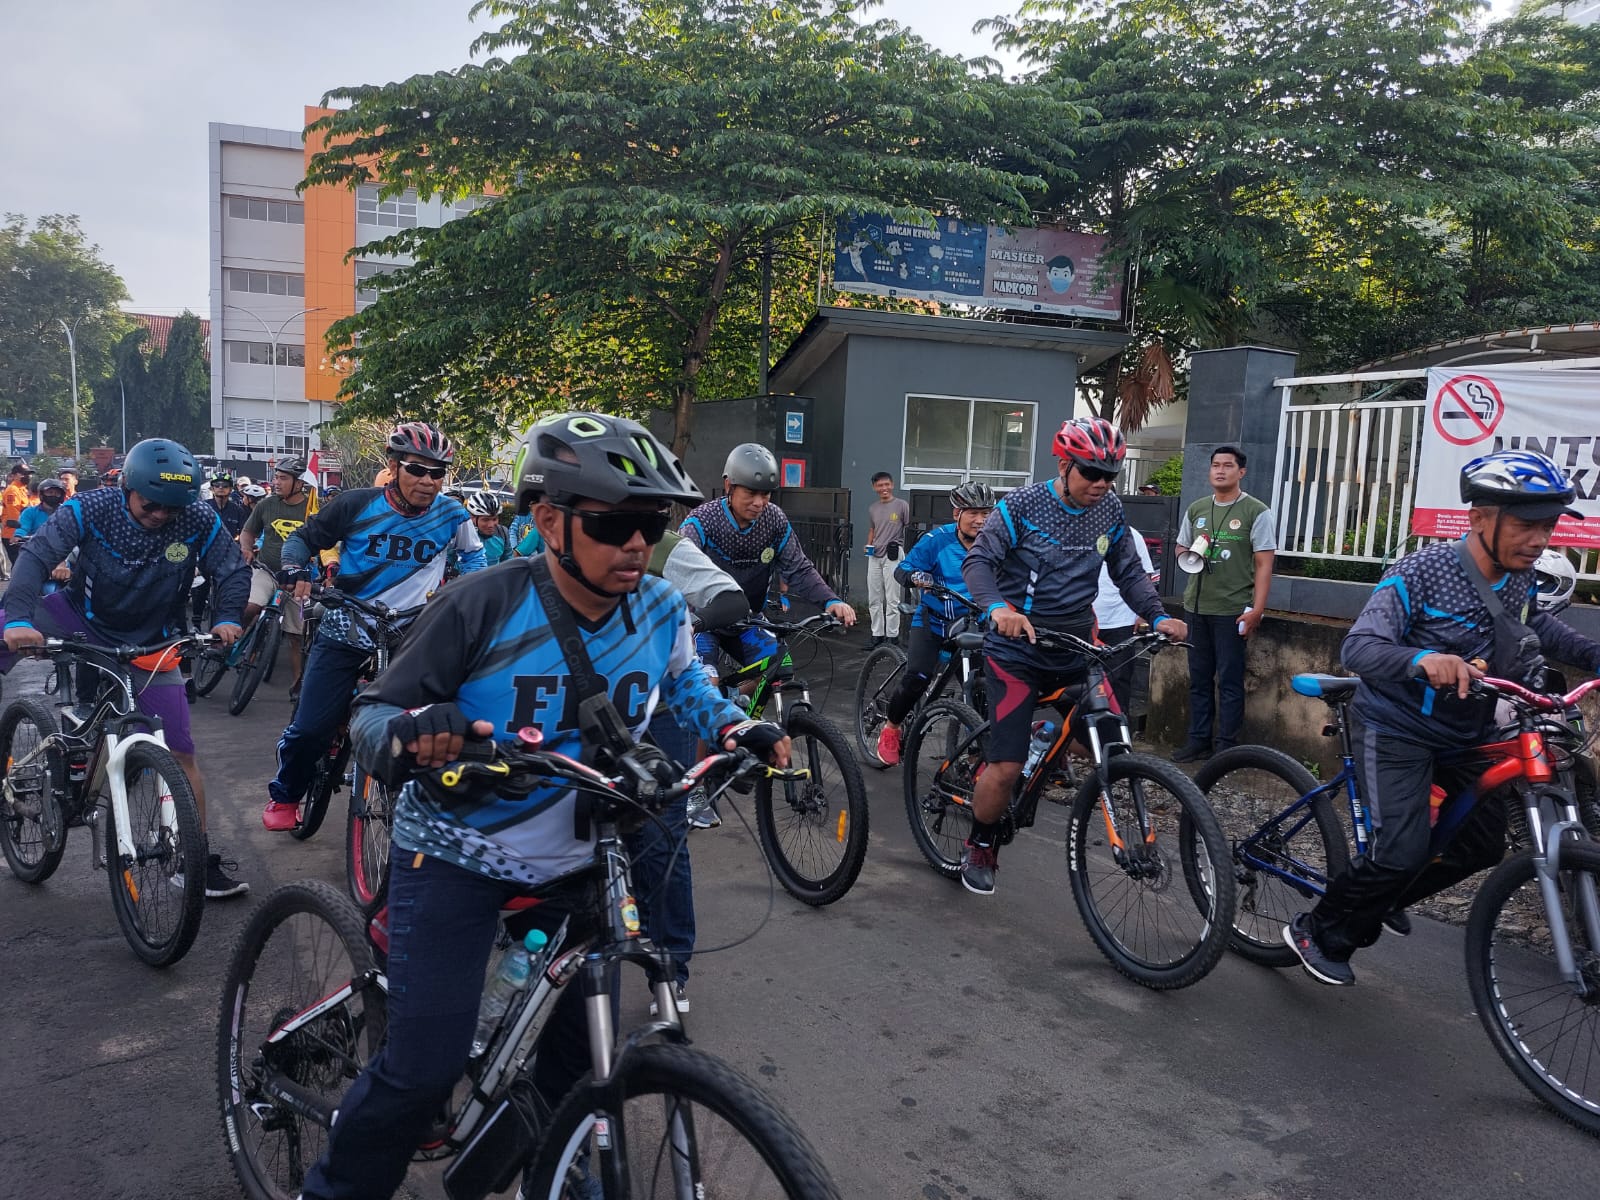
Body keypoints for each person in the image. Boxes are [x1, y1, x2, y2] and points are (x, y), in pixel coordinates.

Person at [295, 413, 789, 1200]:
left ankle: (556, 1174)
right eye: (615, 523)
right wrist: (417, 738)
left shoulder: (660, 609)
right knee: (424, 1070)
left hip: (585, 855)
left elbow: (685, 684)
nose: (637, 543)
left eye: (651, 524)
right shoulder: (482, 604)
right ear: (549, 520)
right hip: (457, 850)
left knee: (573, 1056)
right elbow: (371, 717)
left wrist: (737, 725)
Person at [1285, 449, 1600, 986]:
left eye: (1548, 526)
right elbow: (1358, 648)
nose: (1540, 539)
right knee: (1400, 850)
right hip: (1397, 728)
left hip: (1468, 730)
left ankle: (1382, 896)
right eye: (1526, 524)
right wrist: (1420, 659)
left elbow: (1541, 628)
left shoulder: (1519, 576)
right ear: (1479, 518)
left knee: (1481, 845)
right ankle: (1323, 930)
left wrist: (1594, 655)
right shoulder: (1421, 572)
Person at [0, 439, 250, 898]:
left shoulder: (197, 517)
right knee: (2, 628)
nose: (160, 515)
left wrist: (228, 617)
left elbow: (232, 570)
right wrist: (18, 620)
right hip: (80, 617)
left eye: (171, 509)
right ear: (128, 488)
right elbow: (35, 559)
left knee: (181, 753)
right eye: (151, 505)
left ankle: (191, 857)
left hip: (154, 639)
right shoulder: (89, 508)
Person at [959, 418, 1188, 896]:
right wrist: (998, 608)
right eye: (1091, 473)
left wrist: (1156, 614)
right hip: (1017, 650)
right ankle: (980, 843)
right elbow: (978, 562)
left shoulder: (1110, 511)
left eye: (1111, 475)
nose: (1102, 484)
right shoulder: (1020, 505)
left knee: (1104, 740)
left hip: (1077, 648)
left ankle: (1045, 738)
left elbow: (1128, 572)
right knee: (1004, 766)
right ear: (1064, 465)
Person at [261, 422, 486, 832]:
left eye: (438, 473)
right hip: (347, 625)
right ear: (394, 465)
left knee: (439, 721)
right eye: (418, 469)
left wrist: (471, 597)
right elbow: (302, 541)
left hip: (412, 635)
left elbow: (474, 560)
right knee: (311, 727)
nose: (429, 481)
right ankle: (287, 793)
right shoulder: (354, 504)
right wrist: (294, 567)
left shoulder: (453, 514)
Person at [680, 442, 857, 826]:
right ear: (728, 485)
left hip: (749, 618)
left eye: (765, 494)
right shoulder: (702, 521)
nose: (759, 501)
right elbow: (679, 563)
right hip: (705, 619)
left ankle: (737, 703)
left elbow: (799, 568)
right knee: (705, 689)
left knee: (781, 666)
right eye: (751, 492)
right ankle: (694, 791)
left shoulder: (775, 522)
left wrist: (830, 601)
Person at [875, 480, 995, 766]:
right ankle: (891, 727)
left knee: (983, 687)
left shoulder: (995, 544)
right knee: (917, 676)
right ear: (957, 514)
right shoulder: (936, 540)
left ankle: (978, 753)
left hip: (973, 626)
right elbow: (903, 569)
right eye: (973, 513)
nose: (981, 520)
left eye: (986, 513)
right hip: (934, 620)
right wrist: (917, 578)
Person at [1172, 444, 1277, 762]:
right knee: (1199, 678)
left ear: (1240, 472)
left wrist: (1257, 608)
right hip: (1196, 606)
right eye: (1215, 465)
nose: (1220, 470)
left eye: (1227, 465)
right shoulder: (1198, 508)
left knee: (1230, 680)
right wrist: (1189, 556)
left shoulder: (1256, 511)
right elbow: (1180, 545)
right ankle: (1198, 740)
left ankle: (1226, 747)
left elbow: (1264, 562)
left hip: (1232, 609)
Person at [239, 458, 315, 698]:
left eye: (283, 478)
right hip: (267, 571)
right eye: (276, 477)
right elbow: (248, 532)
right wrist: (247, 548)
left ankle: (297, 684)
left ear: (299, 482)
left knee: (297, 634)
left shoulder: (313, 509)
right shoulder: (266, 505)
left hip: (297, 579)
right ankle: (232, 641)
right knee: (250, 606)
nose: (276, 482)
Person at [1093, 517, 1160, 728]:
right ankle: (1085, 740)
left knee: (1118, 681)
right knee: (1082, 684)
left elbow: (1145, 576)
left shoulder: (1129, 535)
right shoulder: (1071, 532)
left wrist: (1142, 614)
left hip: (1120, 620)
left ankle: (1118, 739)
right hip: (1083, 621)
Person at [193, 473, 248, 624]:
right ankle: (196, 622)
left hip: (228, 555)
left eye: (225, 486)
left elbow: (244, 532)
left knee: (228, 589)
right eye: (217, 485)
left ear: (231, 489)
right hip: (204, 553)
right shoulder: (204, 507)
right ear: (212, 488)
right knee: (200, 586)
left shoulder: (238, 510)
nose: (221, 489)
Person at [865, 470, 911, 647]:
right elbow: (872, 530)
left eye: (887, 484)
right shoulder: (873, 508)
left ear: (892, 485)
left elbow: (909, 528)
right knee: (874, 597)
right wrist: (868, 544)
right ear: (874, 487)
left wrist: (905, 553)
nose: (884, 488)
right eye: (879, 485)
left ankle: (893, 636)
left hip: (892, 555)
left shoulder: (901, 505)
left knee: (893, 598)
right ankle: (877, 635)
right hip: (874, 556)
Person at [2, 461, 37, 564]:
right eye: (25, 473)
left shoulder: (22, 490)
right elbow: (15, 516)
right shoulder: (13, 491)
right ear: (15, 475)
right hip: (13, 534)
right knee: (20, 566)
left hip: (21, 534)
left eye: (29, 474)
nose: (28, 476)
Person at [465, 490, 511, 565]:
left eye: (494, 519)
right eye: (485, 520)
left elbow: (508, 561)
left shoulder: (502, 532)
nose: (491, 525)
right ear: (472, 517)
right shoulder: (462, 534)